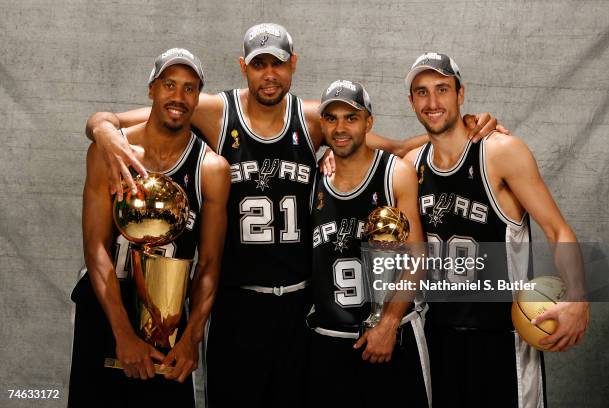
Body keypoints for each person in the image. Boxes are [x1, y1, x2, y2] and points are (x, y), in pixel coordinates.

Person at [83, 23, 499, 407]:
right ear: (243, 66)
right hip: (237, 300)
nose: (269, 74)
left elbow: (381, 147)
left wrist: (466, 129)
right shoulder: (215, 109)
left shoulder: (315, 118)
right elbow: (123, 119)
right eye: (259, 64)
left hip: (299, 303)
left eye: (278, 64)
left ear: (293, 65)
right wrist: (102, 129)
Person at [403, 52, 589, 407]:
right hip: (437, 339)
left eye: (442, 89)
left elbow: (557, 230)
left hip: (502, 341)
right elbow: (364, 146)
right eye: (421, 92)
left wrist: (578, 298)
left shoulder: (502, 153)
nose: (432, 101)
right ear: (411, 101)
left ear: (461, 93)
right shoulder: (412, 165)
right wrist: (329, 156)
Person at [68, 48, 230, 407]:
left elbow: (210, 265)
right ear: (151, 90)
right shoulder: (109, 151)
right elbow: (95, 248)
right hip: (108, 303)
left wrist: (192, 338)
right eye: (169, 84)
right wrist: (122, 332)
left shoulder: (211, 169)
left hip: (166, 314)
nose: (178, 96)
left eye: (189, 88)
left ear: (198, 97)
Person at [308, 80, 429, 407]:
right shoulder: (313, 179)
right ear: (322, 125)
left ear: (368, 122)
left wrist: (388, 324)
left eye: (351, 117)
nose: (340, 127)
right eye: (331, 118)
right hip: (330, 339)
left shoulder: (395, 174)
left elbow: (417, 258)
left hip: (394, 335)